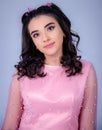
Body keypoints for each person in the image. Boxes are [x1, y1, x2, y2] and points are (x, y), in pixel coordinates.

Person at [1, 2, 97, 130]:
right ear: (33, 42)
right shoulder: (22, 72)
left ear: (63, 30)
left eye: (50, 28)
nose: (45, 38)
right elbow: (9, 125)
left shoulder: (86, 70)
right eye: (36, 34)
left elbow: (88, 126)